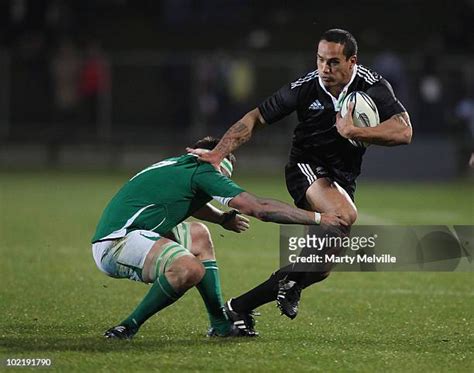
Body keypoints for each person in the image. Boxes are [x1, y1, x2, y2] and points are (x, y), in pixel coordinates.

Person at [188, 29, 413, 335]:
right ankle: (290, 284)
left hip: (342, 179)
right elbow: (255, 117)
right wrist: (219, 152)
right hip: (306, 168)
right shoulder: (306, 87)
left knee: (318, 269)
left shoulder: (372, 86)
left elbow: (403, 131)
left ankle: (239, 307)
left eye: (333, 62)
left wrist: (355, 132)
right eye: (320, 60)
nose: (325, 68)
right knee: (344, 217)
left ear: (352, 61)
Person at [92, 136, 345, 339]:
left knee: (199, 235)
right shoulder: (204, 170)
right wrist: (319, 218)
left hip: (136, 231)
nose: (221, 180)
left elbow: (190, 200)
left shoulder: (181, 166)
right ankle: (129, 326)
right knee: (189, 269)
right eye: (222, 174)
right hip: (117, 242)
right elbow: (259, 208)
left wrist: (223, 218)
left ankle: (220, 324)